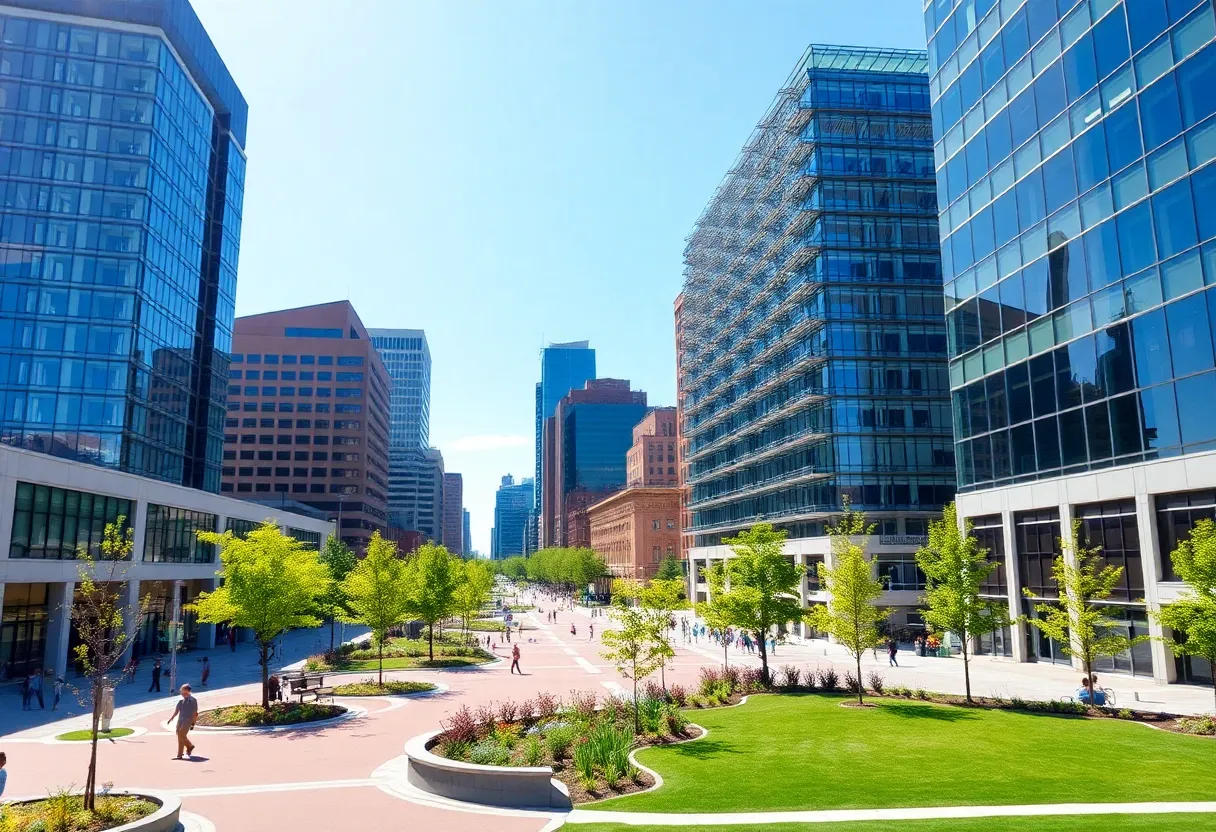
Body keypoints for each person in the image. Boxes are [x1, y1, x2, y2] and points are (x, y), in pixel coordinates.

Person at [166, 684, 199, 760]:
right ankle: (180, 755)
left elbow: (195, 712)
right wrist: (171, 718)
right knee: (179, 734)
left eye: (183, 690)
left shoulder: (193, 700)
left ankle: (189, 746)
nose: (181, 692)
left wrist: (193, 723)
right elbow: (176, 711)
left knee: (181, 734)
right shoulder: (181, 701)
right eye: (181, 691)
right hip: (180, 720)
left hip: (188, 719)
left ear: (188, 691)